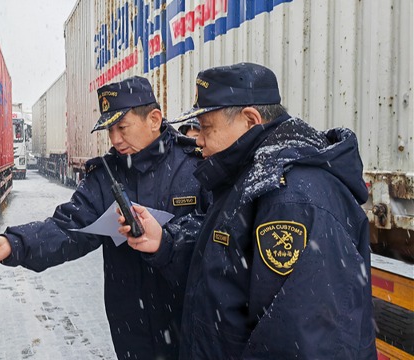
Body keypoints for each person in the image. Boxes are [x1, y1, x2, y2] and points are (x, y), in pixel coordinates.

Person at [118, 63, 377, 359]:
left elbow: (302, 344)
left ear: (250, 119)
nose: (198, 139)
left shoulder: (291, 200)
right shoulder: (252, 179)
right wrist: (165, 242)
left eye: (206, 127)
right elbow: (229, 255)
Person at [0, 76, 209, 360]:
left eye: (122, 127)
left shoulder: (196, 164)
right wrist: (14, 243)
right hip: (131, 324)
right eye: (110, 130)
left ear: (154, 119)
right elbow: (69, 227)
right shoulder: (106, 175)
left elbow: (214, 236)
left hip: (188, 318)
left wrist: (167, 241)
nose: (115, 139)